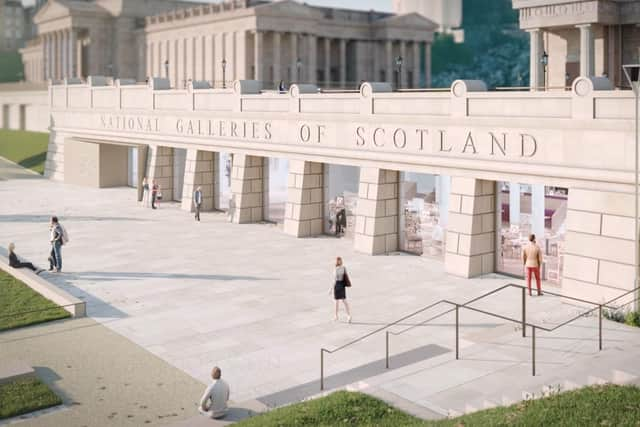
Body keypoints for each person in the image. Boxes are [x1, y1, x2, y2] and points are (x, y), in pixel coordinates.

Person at [331, 257, 352, 322]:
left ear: (336, 262)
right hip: (342, 285)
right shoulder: (344, 268)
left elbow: (334, 280)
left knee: (336, 302)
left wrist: (331, 289)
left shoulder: (336, 269)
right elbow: (346, 276)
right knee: (344, 301)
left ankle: (336, 316)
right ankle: (348, 315)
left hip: (337, 285)